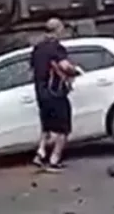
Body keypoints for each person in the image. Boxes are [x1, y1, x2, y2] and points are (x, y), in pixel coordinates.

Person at [30, 18, 77, 172]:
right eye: (62, 28)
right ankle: (54, 160)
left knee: (47, 126)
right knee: (63, 128)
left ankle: (40, 153)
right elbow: (65, 66)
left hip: (41, 93)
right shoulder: (56, 48)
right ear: (57, 30)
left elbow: (33, 69)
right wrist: (74, 70)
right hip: (55, 92)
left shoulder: (37, 48)